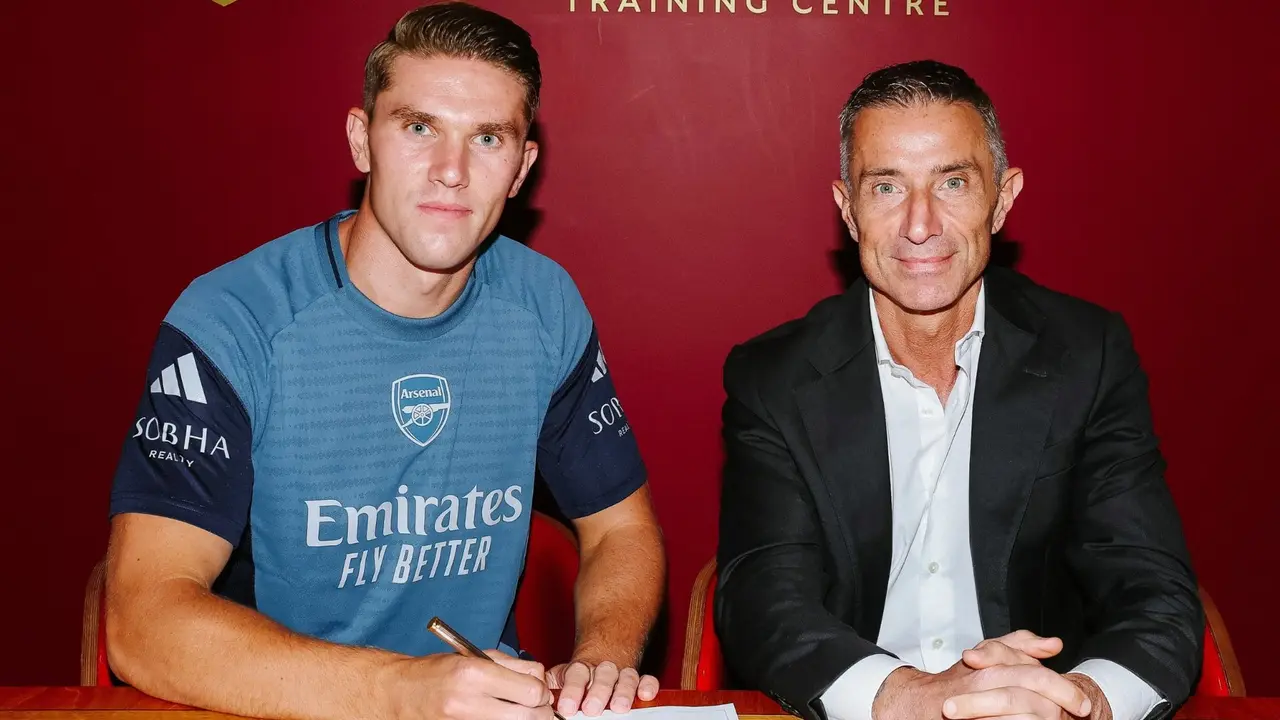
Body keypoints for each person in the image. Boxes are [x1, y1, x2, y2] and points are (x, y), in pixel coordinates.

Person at [104, 4, 664, 719]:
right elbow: (141, 623)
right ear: (362, 140)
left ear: (522, 167)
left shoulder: (544, 304)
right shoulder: (232, 320)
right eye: (419, 127)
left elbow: (622, 528)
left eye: (487, 137)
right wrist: (401, 693)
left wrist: (602, 661)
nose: (451, 171)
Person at [714, 59, 1203, 720]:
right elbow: (763, 600)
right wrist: (903, 697)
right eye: (886, 187)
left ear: (1002, 199)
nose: (920, 223)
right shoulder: (772, 377)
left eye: (952, 182)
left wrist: (1082, 701)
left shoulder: (1088, 355)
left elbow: (1156, 592)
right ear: (848, 210)